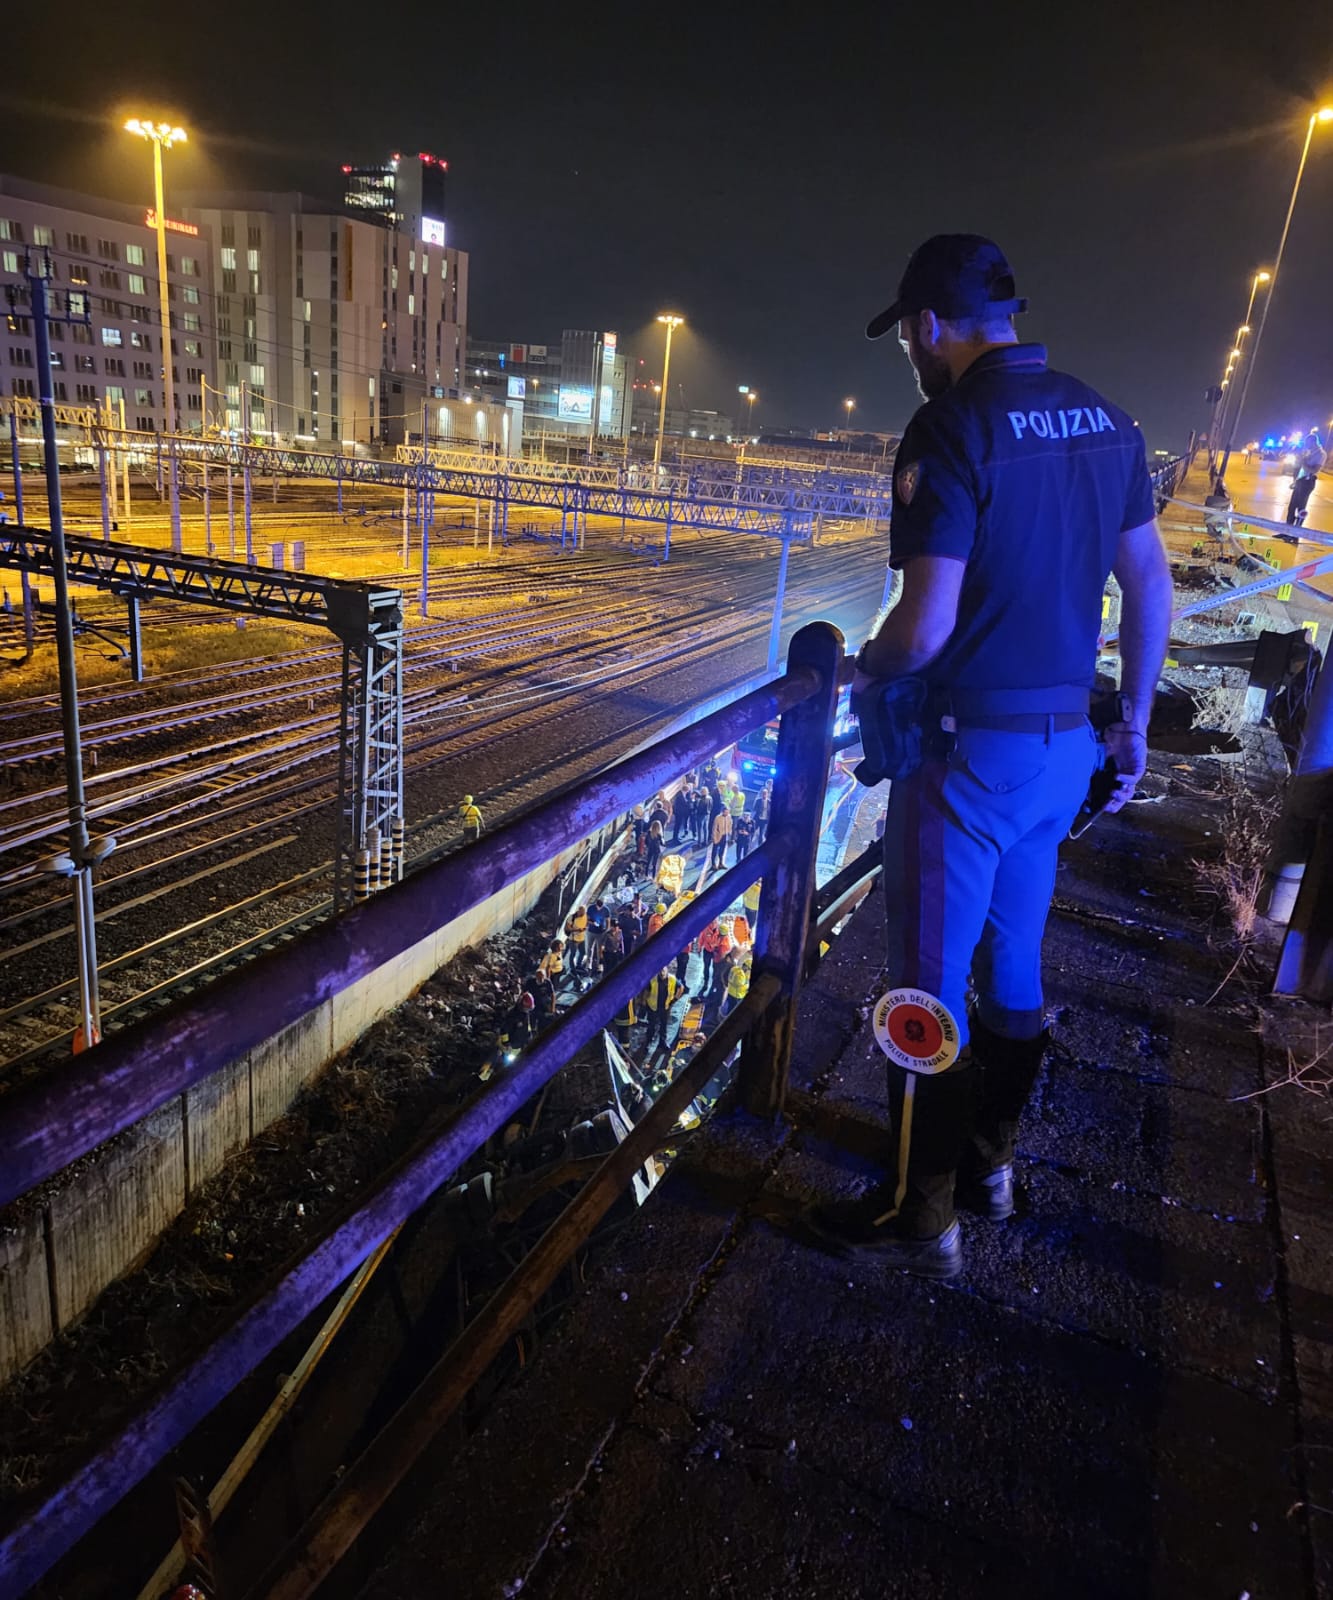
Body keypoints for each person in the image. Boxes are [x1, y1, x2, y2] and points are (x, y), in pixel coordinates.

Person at [805, 234, 1171, 1279]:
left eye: (907, 339)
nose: (911, 355)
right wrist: (1132, 722)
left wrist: (866, 669)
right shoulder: (1106, 420)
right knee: (1014, 964)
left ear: (927, 326)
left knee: (921, 987)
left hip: (967, 761)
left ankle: (917, 1213)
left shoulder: (953, 424)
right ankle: (988, 1169)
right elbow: (1149, 583)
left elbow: (923, 625)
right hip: (1062, 757)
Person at [641, 968, 680, 1055]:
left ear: (667, 971)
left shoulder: (672, 979)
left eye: (663, 971)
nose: (662, 973)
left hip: (665, 1007)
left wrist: (674, 1000)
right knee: (651, 1026)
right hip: (653, 1007)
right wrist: (643, 1003)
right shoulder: (652, 979)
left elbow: (681, 988)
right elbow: (646, 991)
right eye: (660, 971)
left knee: (663, 1026)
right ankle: (648, 1042)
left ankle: (662, 1043)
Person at [565, 905, 588, 975]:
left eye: (584, 912)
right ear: (579, 911)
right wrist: (577, 930)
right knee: (573, 954)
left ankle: (578, 965)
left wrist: (585, 927)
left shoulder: (585, 915)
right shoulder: (571, 918)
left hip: (582, 938)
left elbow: (585, 922)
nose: (583, 914)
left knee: (583, 953)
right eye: (582, 912)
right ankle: (572, 969)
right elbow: (568, 928)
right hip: (573, 940)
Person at [710, 806, 732, 870]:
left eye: (728, 812)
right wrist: (714, 837)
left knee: (722, 851)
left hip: (724, 836)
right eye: (725, 812)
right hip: (717, 836)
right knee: (714, 851)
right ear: (722, 811)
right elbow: (714, 828)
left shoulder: (729, 817)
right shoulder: (717, 818)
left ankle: (720, 864)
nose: (726, 813)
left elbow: (730, 825)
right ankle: (713, 864)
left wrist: (729, 833)